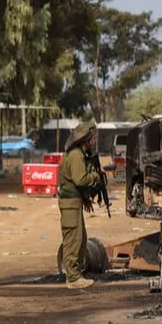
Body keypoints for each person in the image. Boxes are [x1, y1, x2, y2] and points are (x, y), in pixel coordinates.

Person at [57, 121, 103, 290]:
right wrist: (95, 176)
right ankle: (73, 278)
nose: (95, 141)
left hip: (74, 202)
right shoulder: (76, 155)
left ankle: (76, 274)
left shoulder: (78, 154)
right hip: (70, 203)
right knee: (73, 239)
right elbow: (80, 180)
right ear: (86, 139)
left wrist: (84, 199)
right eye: (93, 138)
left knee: (80, 238)